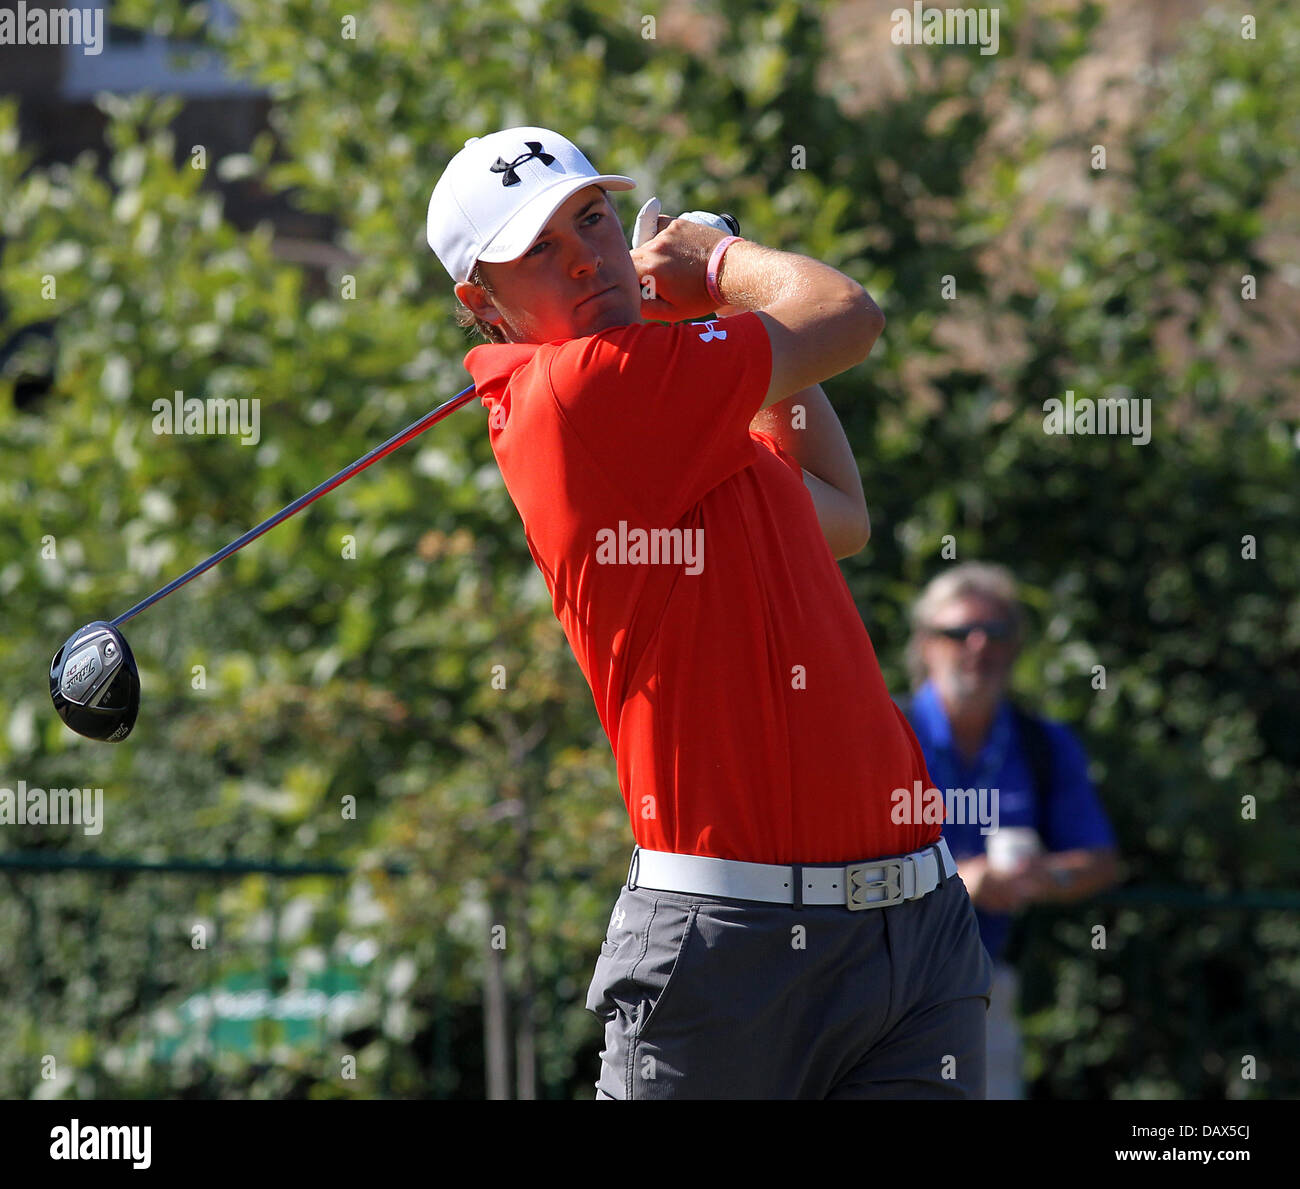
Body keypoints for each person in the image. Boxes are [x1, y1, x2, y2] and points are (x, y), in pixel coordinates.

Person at [426, 126, 992, 1099]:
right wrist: (718, 261)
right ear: (481, 301)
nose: (584, 256)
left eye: (593, 220)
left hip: (913, 929)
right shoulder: (578, 392)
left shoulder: (673, 398)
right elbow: (845, 313)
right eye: (538, 249)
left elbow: (836, 508)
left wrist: (718, 318)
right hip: (729, 953)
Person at [901, 562, 1121, 1099]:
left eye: (996, 632)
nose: (978, 645)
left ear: (1016, 646)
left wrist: (1041, 879)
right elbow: (829, 862)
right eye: (957, 632)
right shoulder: (884, 735)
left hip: (987, 986)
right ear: (925, 645)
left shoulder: (1042, 743)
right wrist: (955, 881)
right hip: (881, 981)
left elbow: (1101, 860)